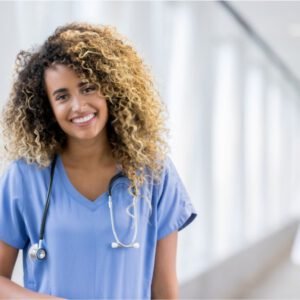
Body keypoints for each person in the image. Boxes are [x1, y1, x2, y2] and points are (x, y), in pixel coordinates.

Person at [0, 22, 197, 299]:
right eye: (62, 96)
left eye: (88, 87)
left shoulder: (153, 173)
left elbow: (164, 289)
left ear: (112, 89)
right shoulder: (25, 177)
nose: (78, 106)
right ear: (48, 107)